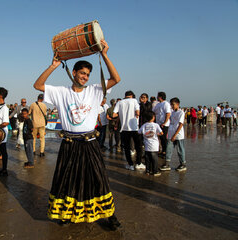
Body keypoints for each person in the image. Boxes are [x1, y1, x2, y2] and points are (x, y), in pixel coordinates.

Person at [34, 40, 121, 229]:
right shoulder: (60, 92)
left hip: (90, 143)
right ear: (74, 73)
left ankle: (110, 215)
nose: (85, 77)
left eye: (88, 75)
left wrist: (104, 55)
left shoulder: (95, 91)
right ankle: (64, 214)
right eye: (82, 73)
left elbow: (116, 78)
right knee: (66, 180)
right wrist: (53, 66)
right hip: (69, 144)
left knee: (99, 179)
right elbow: (38, 85)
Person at [112, 91, 144, 171]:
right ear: (132, 95)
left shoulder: (119, 103)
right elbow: (138, 113)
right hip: (134, 128)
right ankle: (138, 163)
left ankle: (130, 165)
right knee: (138, 146)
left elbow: (114, 115)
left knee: (126, 147)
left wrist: (123, 114)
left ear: (125, 96)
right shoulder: (134, 101)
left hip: (124, 128)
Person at [160, 98, 186, 172]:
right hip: (171, 134)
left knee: (180, 150)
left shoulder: (181, 113)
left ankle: (183, 164)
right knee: (169, 149)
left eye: (173, 104)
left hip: (178, 135)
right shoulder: (173, 112)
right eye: (171, 104)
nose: (172, 106)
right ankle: (167, 163)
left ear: (178, 104)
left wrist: (175, 135)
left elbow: (181, 124)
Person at [138, 111, 163, 176]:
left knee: (147, 159)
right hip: (154, 145)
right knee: (154, 159)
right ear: (153, 117)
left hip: (147, 144)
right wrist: (157, 134)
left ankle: (148, 171)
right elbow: (161, 133)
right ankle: (155, 171)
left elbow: (139, 132)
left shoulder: (144, 125)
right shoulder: (156, 125)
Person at [153, 92, 171, 157]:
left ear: (160, 97)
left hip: (164, 124)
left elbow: (168, 114)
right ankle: (163, 150)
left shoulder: (166, 104)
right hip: (158, 123)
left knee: (164, 138)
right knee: (160, 138)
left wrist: (164, 122)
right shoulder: (158, 104)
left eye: (157, 96)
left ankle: (165, 152)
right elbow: (153, 111)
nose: (157, 97)